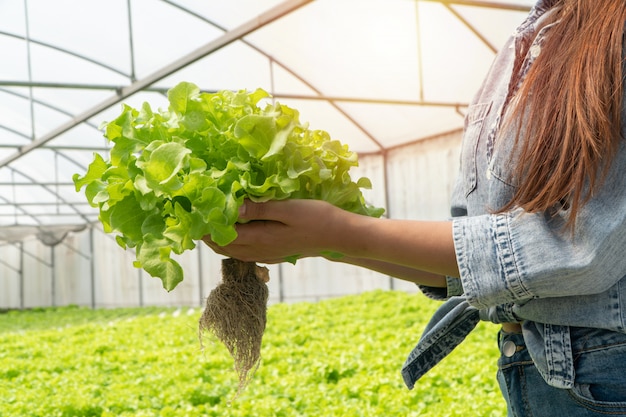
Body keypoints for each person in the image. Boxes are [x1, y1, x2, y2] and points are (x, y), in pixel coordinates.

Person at [203, 0, 626, 415]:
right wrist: (322, 241)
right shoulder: (522, 44)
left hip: (605, 377)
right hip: (536, 372)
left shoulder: (613, 31)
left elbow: (576, 249)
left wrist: (338, 231)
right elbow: (472, 263)